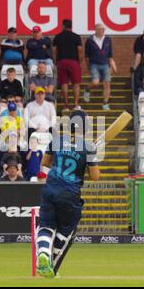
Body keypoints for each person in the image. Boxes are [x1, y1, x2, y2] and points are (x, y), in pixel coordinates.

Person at [35, 110, 99, 278]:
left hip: (50, 188)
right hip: (70, 194)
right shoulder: (89, 147)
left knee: (46, 226)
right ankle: (50, 265)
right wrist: (89, 159)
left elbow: (44, 163)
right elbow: (94, 176)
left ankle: (43, 253)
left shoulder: (56, 140)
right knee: (65, 232)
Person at [83, 23, 116, 110]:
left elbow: (110, 55)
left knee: (107, 84)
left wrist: (112, 65)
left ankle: (105, 103)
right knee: (95, 82)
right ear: (96, 30)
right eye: (100, 29)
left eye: (103, 29)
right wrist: (88, 67)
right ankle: (87, 89)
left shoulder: (108, 39)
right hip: (94, 64)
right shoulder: (89, 40)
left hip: (105, 64)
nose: (102, 30)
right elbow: (86, 56)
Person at [53, 19, 83, 111]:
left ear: (63, 26)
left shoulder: (57, 36)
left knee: (64, 83)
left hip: (61, 61)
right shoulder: (76, 36)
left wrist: (55, 61)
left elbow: (54, 50)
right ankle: (76, 104)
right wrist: (79, 62)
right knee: (76, 84)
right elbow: (80, 50)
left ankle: (66, 106)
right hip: (74, 62)